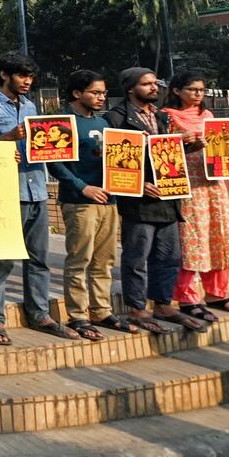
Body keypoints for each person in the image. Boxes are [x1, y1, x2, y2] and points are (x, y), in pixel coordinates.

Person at [0, 52, 78, 344]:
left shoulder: (31, 106)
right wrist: (3, 139)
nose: (27, 81)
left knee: (39, 258)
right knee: (1, 260)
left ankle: (39, 313)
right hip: (5, 192)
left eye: (30, 77)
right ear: (4, 74)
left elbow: (44, 146)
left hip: (37, 189)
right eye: (21, 75)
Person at [104, 67, 208, 334]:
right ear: (130, 88)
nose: (154, 88)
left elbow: (168, 155)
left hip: (168, 198)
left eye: (155, 84)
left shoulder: (162, 118)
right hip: (139, 201)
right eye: (146, 84)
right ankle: (137, 308)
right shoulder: (116, 119)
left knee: (169, 256)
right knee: (137, 257)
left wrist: (191, 145)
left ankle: (162, 303)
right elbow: (115, 162)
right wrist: (139, 185)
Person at [163, 69, 229, 321]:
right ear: (177, 90)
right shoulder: (168, 117)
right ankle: (187, 297)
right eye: (192, 89)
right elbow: (162, 153)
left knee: (218, 236)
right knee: (192, 241)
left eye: (201, 90)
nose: (198, 94)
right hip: (189, 188)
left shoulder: (209, 115)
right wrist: (185, 142)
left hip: (215, 186)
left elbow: (222, 150)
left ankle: (217, 293)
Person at [48, 71, 130, 339]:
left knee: (104, 259)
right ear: (76, 93)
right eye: (95, 92)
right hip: (80, 201)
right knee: (79, 259)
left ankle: (102, 310)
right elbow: (55, 163)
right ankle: (78, 315)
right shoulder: (61, 123)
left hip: (110, 199)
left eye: (103, 93)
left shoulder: (106, 122)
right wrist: (83, 187)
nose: (101, 97)